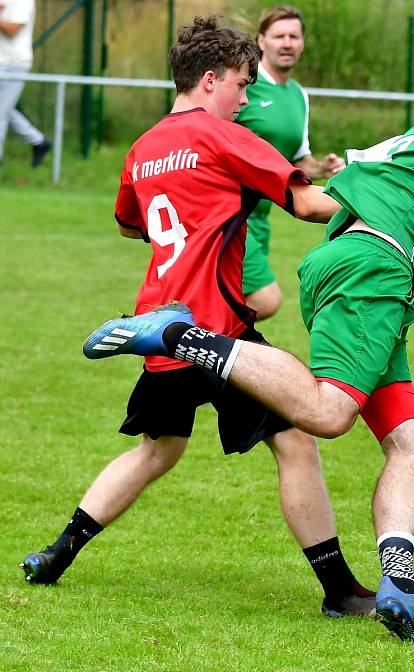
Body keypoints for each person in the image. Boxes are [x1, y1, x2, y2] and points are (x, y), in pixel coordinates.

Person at [82, 61, 414, 643]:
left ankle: (398, 587)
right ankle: (177, 336)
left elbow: (355, 173)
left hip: (356, 263)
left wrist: (391, 257)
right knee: (326, 414)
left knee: (412, 439)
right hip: (372, 270)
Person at [20, 15, 376, 620]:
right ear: (210, 81)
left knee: (159, 449)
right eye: (241, 84)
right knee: (294, 441)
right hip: (215, 329)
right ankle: (341, 591)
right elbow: (309, 205)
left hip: (159, 325)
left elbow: (132, 221)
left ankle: (57, 553)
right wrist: (378, 187)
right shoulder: (225, 137)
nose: (246, 98)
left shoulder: (144, 146)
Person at [236, 5, 344, 321]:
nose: (287, 43)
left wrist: (322, 168)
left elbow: (296, 160)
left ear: (302, 43)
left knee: (235, 303)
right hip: (230, 211)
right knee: (265, 300)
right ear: (261, 41)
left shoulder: (298, 94)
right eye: (279, 36)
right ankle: (186, 341)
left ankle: (194, 349)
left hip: (260, 216)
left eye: (293, 36)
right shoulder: (246, 85)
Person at [0, 0, 51, 166]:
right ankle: (39, 141)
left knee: (1, 112)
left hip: (14, 64)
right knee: (4, 109)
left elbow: (12, 30)